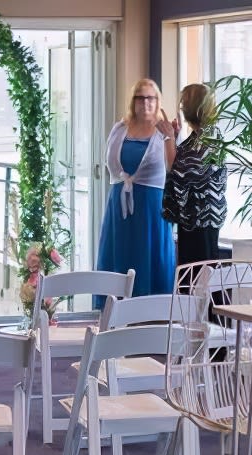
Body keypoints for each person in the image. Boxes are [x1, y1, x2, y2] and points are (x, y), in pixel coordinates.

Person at [96, 78, 177, 297]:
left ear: (157, 101)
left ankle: (149, 314)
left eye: (151, 98)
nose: (145, 102)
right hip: (119, 207)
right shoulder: (120, 128)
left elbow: (173, 166)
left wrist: (170, 136)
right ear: (133, 101)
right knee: (119, 256)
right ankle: (113, 311)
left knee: (149, 259)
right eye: (140, 97)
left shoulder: (163, 131)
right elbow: (109, 162)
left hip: (151, 208)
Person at [162, 82, 227, 268]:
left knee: (199, 280)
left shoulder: (209, 136)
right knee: (192, 278)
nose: (181, 106)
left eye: (184, 102)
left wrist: (168, 139)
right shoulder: (200, 136)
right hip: (194, 220)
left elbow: (182, 172)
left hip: (202, 220)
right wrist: (174, 137)